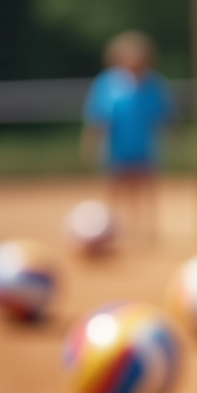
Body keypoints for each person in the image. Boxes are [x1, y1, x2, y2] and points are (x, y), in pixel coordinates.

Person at [82, 31, 175, 244]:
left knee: (145, 189)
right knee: (116, 191)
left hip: (144, 149)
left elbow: (164, 115)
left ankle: (148, 231)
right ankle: (114, 231)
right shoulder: (106, 83)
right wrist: (91, 143)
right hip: (116, 150)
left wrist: (171, 137)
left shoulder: (153, 84)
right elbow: (97, 117)